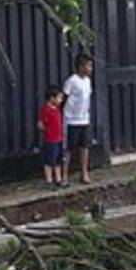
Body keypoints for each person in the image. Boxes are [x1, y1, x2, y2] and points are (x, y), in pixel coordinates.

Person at [62, 54, 93, 184]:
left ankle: (84, 173)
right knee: (68, 148)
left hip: (84, 119)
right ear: (81, 67)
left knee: (84, 147)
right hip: (71, 120)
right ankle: (64, 175)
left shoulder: (88, 81)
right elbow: (64, 98)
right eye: (88, 66)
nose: (90, 69)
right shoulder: (72, 81)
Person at [37, 86, 65, 187]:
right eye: (59, 98)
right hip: (50, 139)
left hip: (59, 138)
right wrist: (48, 131)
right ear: (52, 98)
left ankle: (58, 179)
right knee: (49, 160)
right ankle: (49, 180)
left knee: (58, 160)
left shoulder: (56, 109)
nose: (61, 100)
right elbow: (40, 124)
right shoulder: (46, 110)